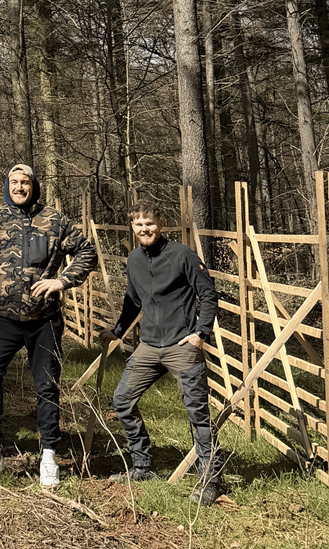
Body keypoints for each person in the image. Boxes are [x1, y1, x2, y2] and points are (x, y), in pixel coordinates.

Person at [0, 164, 96, 487]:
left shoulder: (54, 220)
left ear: (33, 186)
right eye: (13, 182)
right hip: (4, 318)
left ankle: (49, 455)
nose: (19, 187)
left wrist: (62, 281)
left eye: (24, 182)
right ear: (7, 186)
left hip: (45, 320)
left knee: (46, 385)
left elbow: (87, 252)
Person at [99, 199, 222, 506]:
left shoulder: (182, 255)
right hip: (149, 346)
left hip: (182, 346)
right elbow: (132, 300)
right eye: (139, 224)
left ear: (161, 224)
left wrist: (200, 333)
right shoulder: (134, 260)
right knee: (122, 400)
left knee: (197, 412)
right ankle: (142, 466)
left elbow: (208, 294)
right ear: (132, 227)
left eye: (150, 224)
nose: (145, 229)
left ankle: (210, 480)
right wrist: (117, 331)